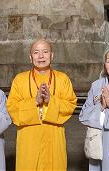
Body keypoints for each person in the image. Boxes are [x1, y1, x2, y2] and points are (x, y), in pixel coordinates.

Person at [6, 39, 77, 170]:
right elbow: (12, 107)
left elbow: (71, 104)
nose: (41, 56)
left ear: (52, 55)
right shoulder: (20, 79)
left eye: (45, 52)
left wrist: (51, 100)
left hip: (54, 137)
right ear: (30, 57)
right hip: (29, 139)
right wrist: (34, 101)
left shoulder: (62, 79)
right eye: (36, 52)